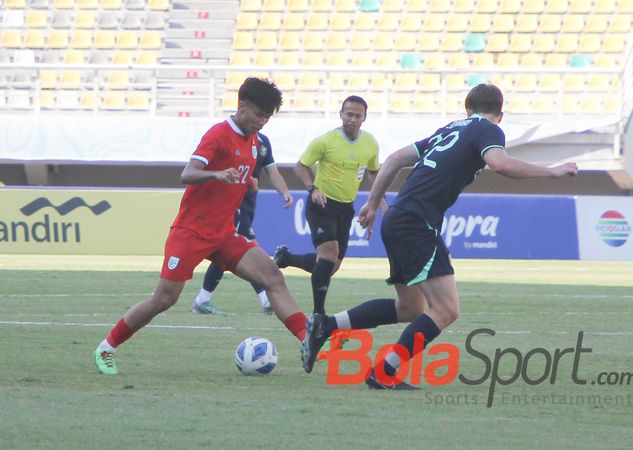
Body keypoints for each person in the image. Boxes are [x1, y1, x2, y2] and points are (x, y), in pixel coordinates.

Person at [300, 84, 579, 388]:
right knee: (446, 310)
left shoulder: (449, 130)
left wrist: (371, 202)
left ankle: (325, 325)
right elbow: (499, 163)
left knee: (410, 308)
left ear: (467, 108)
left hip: (398, 218)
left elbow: (394, 159)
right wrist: (551, 171)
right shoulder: (487, 129)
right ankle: (384, 373)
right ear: (500, 114)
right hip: (416, 223)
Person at [93, 77, 308, 375]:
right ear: (241, 105)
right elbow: (188, 173)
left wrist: (248, 182)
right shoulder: (219, 134)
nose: (263, 121)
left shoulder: (254, 141)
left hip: (223, 233)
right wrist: (218, 175)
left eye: (267, 117)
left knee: (272, 276)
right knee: (164, 298)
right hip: (191, 233)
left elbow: (241, 173)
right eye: (259, 114)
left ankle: (309, 341)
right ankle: (106, 348)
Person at [273, 95, 382, 318]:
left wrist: (378, 202)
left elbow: (374, 173)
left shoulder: (370, 143)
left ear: (364, 118)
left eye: (357, 115)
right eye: (348, 114)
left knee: (331, 266)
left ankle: (287, 258)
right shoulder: (326, 141)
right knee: (329, 252)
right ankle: (318, 315)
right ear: (341, 114)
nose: (352, 119)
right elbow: (301, 166)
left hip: (346, 207)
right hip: (321, 204)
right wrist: (312, 189)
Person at [191, 132, 293, 316]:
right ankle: (264, 298)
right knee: (242, 247)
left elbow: (273, 171)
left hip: (248, 203)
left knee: (238, 250)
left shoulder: (263, 142)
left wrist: (284, 191)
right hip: (230, 202)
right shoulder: (229, 137)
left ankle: (204, 299)